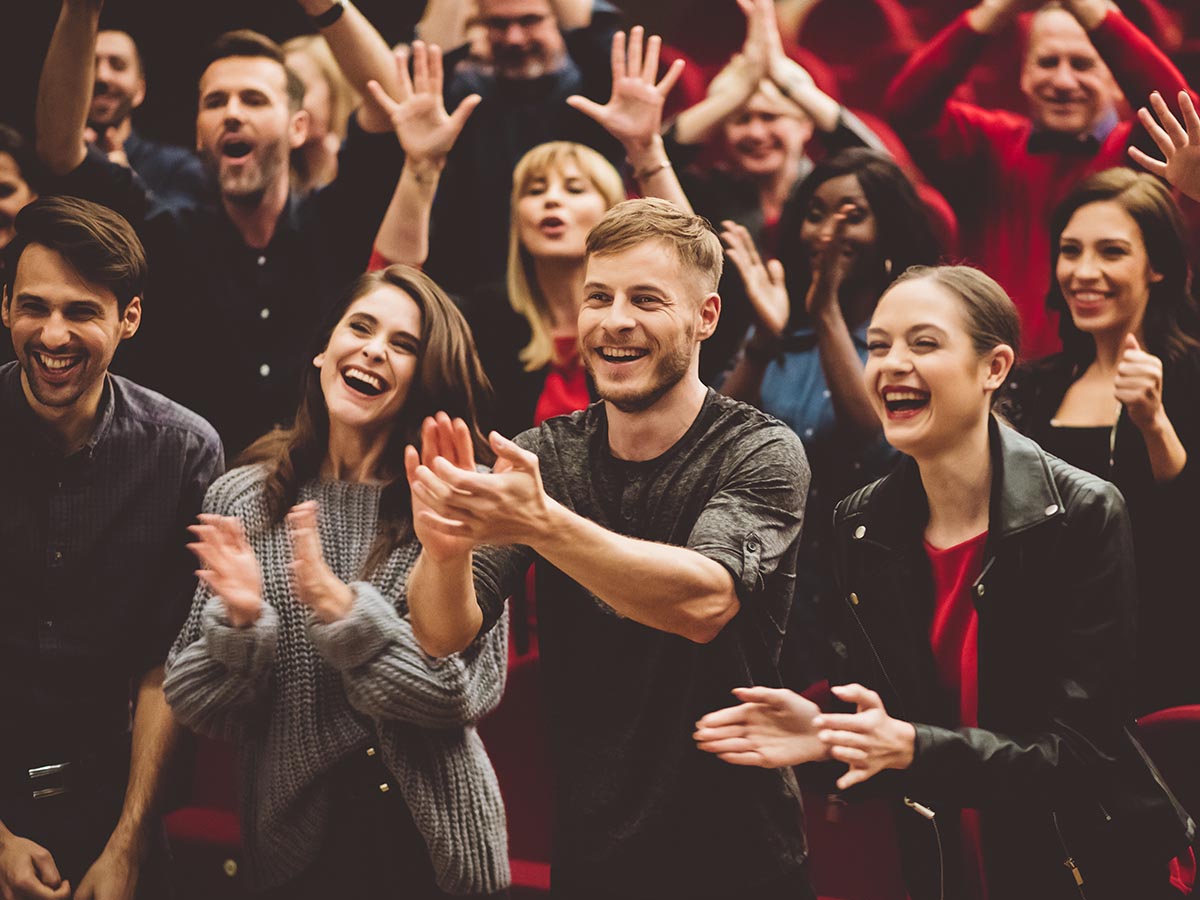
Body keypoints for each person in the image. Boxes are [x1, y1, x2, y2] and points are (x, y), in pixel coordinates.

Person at [696, 264, 1195, 899]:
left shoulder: (1081, 513)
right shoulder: (861, 522)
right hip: (941, 868)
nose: (891, 364)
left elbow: (1081, 761)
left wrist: (909, 748)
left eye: (924, 343)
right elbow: (896, 738)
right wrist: (824, 738)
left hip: (1078, 864)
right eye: (878, 346)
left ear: (994, 368)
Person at [405, 198, 814, 899]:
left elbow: (704, 601)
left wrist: (541, 524)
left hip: (741, 857)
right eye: (599, 297)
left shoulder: (760, 450)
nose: (615, 320)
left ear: (705, 318)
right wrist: (442, 551)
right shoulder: (547, 455)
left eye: (646, 299)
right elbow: (441, 634)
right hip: (593, 851)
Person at [163, 265, 509, 899]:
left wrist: (345, 612)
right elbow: (195, 703)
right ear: (325, 348)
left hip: (433, 851)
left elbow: (459, 693)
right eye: (362, 327)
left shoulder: (454, 500)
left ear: (423, 377)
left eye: (404, 345)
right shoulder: (242, 498)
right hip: (298, 847)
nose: (376, 349)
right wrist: (240, 625)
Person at [36, 0, 407, 457]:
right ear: (198, 133)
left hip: (318, 491)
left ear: (298, 127)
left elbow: (393, 105)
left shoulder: (333, 224)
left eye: (253, 99)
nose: (232, 113)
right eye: (215, 101)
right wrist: (80, 11)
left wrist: (326, 5)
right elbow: (60, 150)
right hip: (190, 498)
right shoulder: (163, 234)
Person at [0, 195, 223, 899]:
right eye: (33, 306)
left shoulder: (184, 452)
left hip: (115, 801)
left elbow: (170, 662)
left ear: (128, 318)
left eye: (83, 311)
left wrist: (125, 846)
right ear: (5, 306)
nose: (53, 334)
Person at [370, 28, 688, 437]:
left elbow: (692, 268)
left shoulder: (645, 319)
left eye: (574, 189)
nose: (551, 200)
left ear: (612, 214)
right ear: (517, 218)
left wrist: (646, 149)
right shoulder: (486, 318)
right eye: (536, 191)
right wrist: (421, 167)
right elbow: (390, 290)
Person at [720, 147, 941, 683]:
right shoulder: (779, 331)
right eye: (815, 214)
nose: (825, 232)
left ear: (888, 230)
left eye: (852, 216)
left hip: (870, 593)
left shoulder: (920, 337)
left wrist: (827, 315)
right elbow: (717, 439)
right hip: (773, 590)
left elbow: (877, 440)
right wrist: (763, 342)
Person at [883, 0, 1192, 358]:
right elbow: (906, 108)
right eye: (1047, 62)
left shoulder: (1138, 154)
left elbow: (1180, 117)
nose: (1063, 81)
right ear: (1024, 75)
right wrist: (993, 11)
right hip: (991, 374)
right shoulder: (986, 145)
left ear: (1115, 78)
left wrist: (1096, 14)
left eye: (1082, 64)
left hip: (1107, 373)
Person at [1002, 168, 1200, 711]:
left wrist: (1153, 423)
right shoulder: (1034, 385)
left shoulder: (1191, 374)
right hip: (1049, 661)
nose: (1084, 272)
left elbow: (1183, 533)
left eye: (1111, 252)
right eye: (1070, 251)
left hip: (1160, 663)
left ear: (1156, 267)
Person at [666, 0, 896, 378]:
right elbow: (646, 161)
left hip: (830, 363)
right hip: (726, 366)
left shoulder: (829, 186)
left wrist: (791, 84)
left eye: (770, 117)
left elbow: (887, 176)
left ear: (806, 126)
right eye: (740, 119)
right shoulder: (703, 191)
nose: (756, 133)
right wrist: (725, 97)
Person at [420, 0, 633, 292]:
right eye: (498, 24)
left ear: (557, 20)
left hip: (585, 288)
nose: (514, 39)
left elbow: (592, 37)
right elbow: (427, 63)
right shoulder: (466, 97)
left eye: (530, 20)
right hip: (473, 291)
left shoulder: (591, 96)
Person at [85, 28, 210, 211]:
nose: (101, 77)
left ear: (140, 90)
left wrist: (123, 181)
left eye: (118, 65)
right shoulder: (47, 163)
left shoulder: (177, 166)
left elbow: (181, 234)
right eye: (90, 64)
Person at [282, 33, 360, 193]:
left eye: (298, 90)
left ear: (335, 90)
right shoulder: (277, 178)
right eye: (281, 92)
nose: (287, 105)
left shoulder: (368, 161)